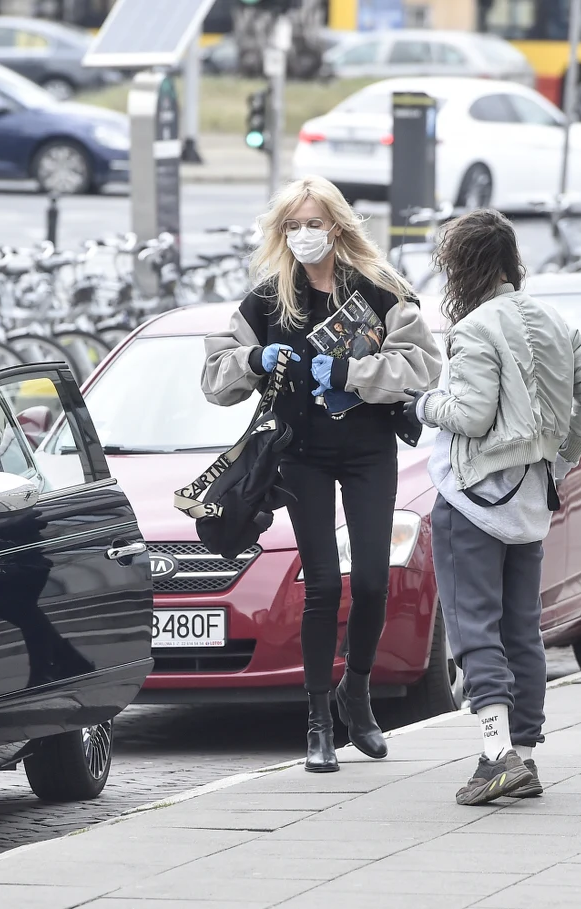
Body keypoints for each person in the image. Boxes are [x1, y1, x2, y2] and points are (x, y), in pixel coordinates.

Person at [202, 175, 443, 772]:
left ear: (337, 225)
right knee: (323, 586)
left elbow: (422, 366)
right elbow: (214, 378)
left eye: (314, 223)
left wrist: (350, 374)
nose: (304, 235)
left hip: (367, 451)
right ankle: (316, 721)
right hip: (301, 454)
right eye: (293, 225)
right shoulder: (268, 297)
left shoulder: (380, 289)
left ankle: (355, 693)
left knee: (369, 583)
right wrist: (253, 359)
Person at [413, 209, 581, 805]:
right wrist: (562, 455)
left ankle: (497, 751)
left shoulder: (474, 328)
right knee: (523, 630)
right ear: (510, 261)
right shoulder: (552, 319)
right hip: (531, 498)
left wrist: (423, 404)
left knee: (473, 624)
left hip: (473, 498)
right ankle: (522, 755)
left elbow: (471, 415)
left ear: (463, 268)